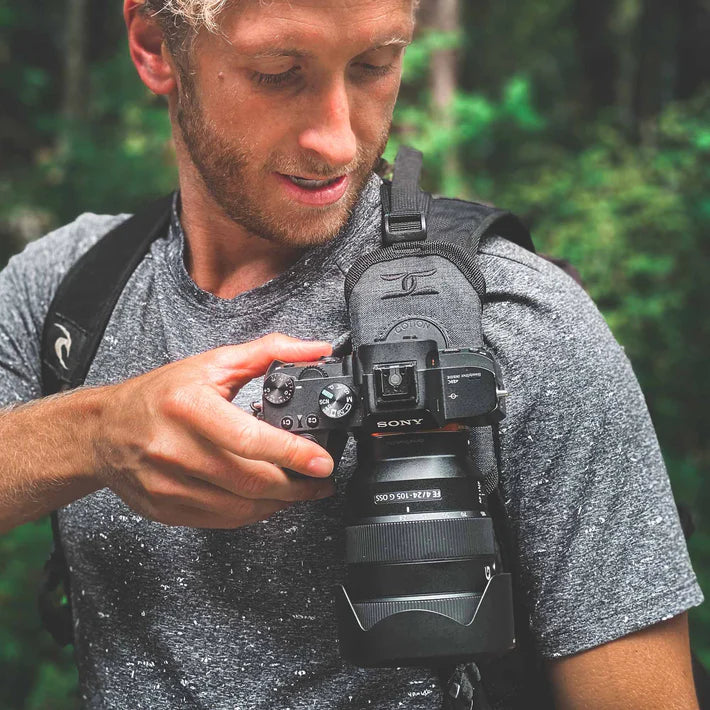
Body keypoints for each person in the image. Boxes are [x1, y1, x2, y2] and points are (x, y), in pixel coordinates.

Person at [0, 0, 704, 707]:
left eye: (375, 64)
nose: (337, 141)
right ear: (155, 47)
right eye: (279, 73)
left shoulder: (516, 318)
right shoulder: (66, 291)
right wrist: (93, 435)